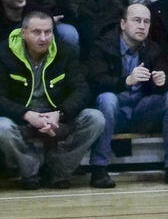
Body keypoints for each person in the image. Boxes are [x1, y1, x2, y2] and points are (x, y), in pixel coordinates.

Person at [85, 4, 168, 187]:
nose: (142, 26)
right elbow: (95, 83)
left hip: (142, 110)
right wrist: (126, 81)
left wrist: (162, 82)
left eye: (146, 22)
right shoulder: (102, 46)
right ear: (123, 24)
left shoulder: (154, 49)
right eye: (137, 20)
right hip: (115, 111)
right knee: (107, 99)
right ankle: (99, 169)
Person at [0, 11, 104, 188]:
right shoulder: (4, 53)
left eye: (48, 32)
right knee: (2, 127)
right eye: (37, 32)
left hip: (56, 119)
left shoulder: (65, 51)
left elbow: (82, 90)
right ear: (23, 33)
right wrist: (27, 114)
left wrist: (60, 113)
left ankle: (57, 169)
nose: (43, 38)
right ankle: (30, 171)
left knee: (95, 118)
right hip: (21, 119)